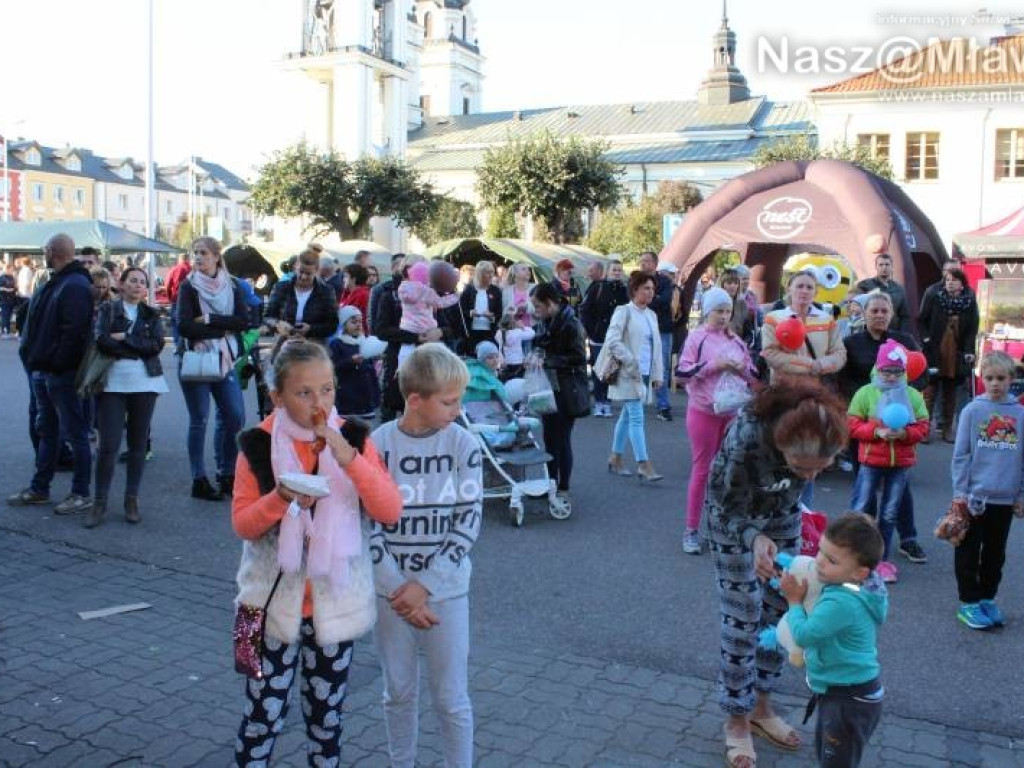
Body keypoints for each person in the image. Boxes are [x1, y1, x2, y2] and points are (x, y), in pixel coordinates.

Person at [232, 339, 402, 766]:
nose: (318, 402)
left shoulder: (354, 438)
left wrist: (349, 459)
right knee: (259, 717)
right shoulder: (256, 442)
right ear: (277, 397)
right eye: (303, 392)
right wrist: (279, 499)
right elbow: (244, 525)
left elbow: (390, 510)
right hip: (261, 607)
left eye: (326, 390)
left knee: (327, 722)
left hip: (336, 608)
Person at [704, 377, 848, 768]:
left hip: (781, 519)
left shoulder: (822, 435)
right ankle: (736, 718)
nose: (809, 477)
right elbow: (725, 503)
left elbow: (792, 496)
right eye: (800, 467)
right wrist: (753, 539)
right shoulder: (748, 435)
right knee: (743, 617)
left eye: (820, 469)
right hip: (732, 519)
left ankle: (761, 706)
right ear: (780, 445)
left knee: (784, 608)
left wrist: (778, 537)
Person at [370, 344, 481, 768]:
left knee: (451, 698)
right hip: (390, 595)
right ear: (415, 400)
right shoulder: (378, 444)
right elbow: (368, 523)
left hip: (446, 593)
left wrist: (425, 586)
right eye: (449, 401)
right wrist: (400, 589)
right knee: (397, 692)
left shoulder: (462, 444)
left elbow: (468, 520)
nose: (458, 408)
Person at [779, 513, 888, 768]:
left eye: (831, 560)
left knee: (835, 762)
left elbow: (804, 635)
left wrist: (794, 601)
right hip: (850, 692)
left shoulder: (841, 602)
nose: (818, 563)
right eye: (820, 551)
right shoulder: (862, 588)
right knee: (832, 756)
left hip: (847, 700)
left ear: (859, 572)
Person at [8, 234, 94, 515]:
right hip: (45, 370)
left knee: (75, 433)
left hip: (60, 373)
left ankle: (80, 493)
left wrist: (56, 363)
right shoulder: (58, 281)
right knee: (48, 430)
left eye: (45, 249)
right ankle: (39, 488)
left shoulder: (75, 284)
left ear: (51, 251)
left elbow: (75, 332)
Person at [839, 291, 928, 565]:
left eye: (883, 310)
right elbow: (841, 379)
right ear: (864, 313)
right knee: (864, 488)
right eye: (873, 310)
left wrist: (904, 401)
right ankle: (863, 544)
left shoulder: (905, 341)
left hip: (899, 425)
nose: (879, 315)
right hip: (866, 420)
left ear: (891, 313)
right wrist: (866, 401)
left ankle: (908, 538)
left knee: (899, 491)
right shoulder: (851, 342)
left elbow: (920, 373)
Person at [86, 267, 167, 528]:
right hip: (112, 383)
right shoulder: (109, 310)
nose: (137, 285)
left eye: (142, 282)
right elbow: (101, 340)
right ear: (120, 284)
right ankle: (99, 502)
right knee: (108, 445)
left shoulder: (151, 314)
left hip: (146, 383)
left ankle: (131, 499)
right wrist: (135, 346)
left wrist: (127, 339)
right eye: (132, 280)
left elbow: (156, 346)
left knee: (137, 445)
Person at [677, 287, 756, 554]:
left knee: (728, 473)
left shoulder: (736, 341)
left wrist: (741, 369)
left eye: (727, 312)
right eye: (718, 311)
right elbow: (681, 375)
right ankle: (691, 530)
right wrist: (715, 365)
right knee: (702, 471)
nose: (723, 317)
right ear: (707, 312)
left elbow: (753, 376)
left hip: (731, 413)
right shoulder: (696, 338)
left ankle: (719, 527)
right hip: (702, 412)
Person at [950, 351, 1024, 630]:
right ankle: (968, 602)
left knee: (996, 554)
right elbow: (960, 455)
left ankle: (987, 598)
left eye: (1001, 378)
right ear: (982, 379)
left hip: (1004, 499)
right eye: (990, 378)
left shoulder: (1019, 414)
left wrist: (1021, 495)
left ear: (1011, 379)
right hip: (974, 498)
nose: (995, 384)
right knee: (969, 551)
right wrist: (960, 493)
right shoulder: (973, 410)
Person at [847, 340, 929, 584]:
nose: (892, 376)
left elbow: (923, 427)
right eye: (886, 370)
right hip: (871, 460)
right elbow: (852, 424)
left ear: (904, 371)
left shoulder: (913, 395)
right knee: (861, 504)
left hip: (900, 464)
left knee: (890, 512)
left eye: (897, 371)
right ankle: (853, 549)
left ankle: (879, 559)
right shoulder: (865, 393)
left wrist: (905, 434)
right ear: (877, 368)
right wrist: (876, 432)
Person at [177, 237, 250, 501]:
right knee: (200, 420)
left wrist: (209, 320)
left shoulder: (232, 286)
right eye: (194, 252)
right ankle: (199, 479)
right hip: (197, 358)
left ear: (217, 257)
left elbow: (244, 321)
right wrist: (224, 327)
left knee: (234, 417)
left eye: (203, 253)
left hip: (225, 358)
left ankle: (226, 473)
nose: (198, 257)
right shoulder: (188, 286)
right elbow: (184, 326)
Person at [531, 281, 589, 511]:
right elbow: (538, 344)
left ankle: (563, 486)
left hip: (567, 388)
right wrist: (535, 355)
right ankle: (550, 482)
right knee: (548, 437)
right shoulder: (546, 321)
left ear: (550, 303)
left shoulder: (571, 323)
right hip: (548, 386)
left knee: (562, 439)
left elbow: (577, 358)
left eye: (538, 306)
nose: (535, 310)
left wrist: (546, 360)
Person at [604, 271, 665, 482]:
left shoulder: (651, 315)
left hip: (645, 372)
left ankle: (615, 456)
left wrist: (658, 374)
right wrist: (629, 360)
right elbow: (612, 340)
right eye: (646, 288)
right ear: (635, 290)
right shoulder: (623, 312)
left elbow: (656, 348)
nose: (651, 292)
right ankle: (643, 463)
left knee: (628, 416)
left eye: (652, 289)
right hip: (627, 371)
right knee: (636, 417)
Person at [918, 266, 979, 442]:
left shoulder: (969, 300)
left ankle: (946, 429)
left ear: (962, 284)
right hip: (935, 349)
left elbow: (972, 329)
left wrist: (969, 351)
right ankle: (924, 429)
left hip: (956, 351)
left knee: (950, 393)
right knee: (930, 391)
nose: (950, 283)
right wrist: (927, 340)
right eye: (947, 280)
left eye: (954, 280)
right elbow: (921, 319)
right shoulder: (934, 296)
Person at [580, 258, 628, 417]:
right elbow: (585, 310)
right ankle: (598, 403)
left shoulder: (624, 290)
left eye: (619, 270)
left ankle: (607, 403)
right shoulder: (598, 287)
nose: (617, 273)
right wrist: (590, 330)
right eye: (614, 270)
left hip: (616, 337)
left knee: (611, 371)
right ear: (607, 272)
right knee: (598, 369)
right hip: (598, 335)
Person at [263, 248, 339, 343]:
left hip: (314, 345)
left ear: (316, 271)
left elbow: (332, 325)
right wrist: (277, 324)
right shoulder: (281, 287)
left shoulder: (326, 291)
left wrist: (311, 329)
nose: (303, 277)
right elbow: (267, 317)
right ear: (295, 268)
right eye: (301, 272)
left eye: (308, 274)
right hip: (285, 342)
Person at [397, 261, 460, 367]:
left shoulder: (403, 288)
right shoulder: (426, 291)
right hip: (426, 328)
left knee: (406, 353)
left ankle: (402, 369)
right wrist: (456, 297)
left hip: (408, 328)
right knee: (436, 356)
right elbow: (440, 303)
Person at [638, 252, 676, 421]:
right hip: (641, 329)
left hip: (662, 329)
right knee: (641, 365)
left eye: (646, 261)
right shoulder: (635, 281)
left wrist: (648, 299)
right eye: (641, 261)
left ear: (654, 263)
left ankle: (663, 405)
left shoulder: (666, 281)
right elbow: (634, 299)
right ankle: (639, 400)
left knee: (663, 367)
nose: (642, 264)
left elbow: (665, 300)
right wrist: (654, 298)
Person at [330, 305, 381, 420]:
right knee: (346, 429)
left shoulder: (365, 342)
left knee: (365, 430)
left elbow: (371, 370)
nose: (358, 325)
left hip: (365, 396)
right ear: (344, 325)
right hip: (347, 396)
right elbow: (333, 367)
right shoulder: (337, 344)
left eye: (360, 321)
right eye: (353, 322)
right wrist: (351, 361)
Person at [856, 251, 910, 333]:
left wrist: (902, 335)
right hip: (871, 334)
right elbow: (856, 309)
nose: (884, 268)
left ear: (892, 267)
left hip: (893, 333)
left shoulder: (899, 289)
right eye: (881, 265)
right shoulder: (865, 285)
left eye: (887, 265)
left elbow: (904, 316)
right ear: (876, 267)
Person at [459, 260, 502, 349]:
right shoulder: (468, 290)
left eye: (492, 272)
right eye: (487, 272)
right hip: (471, 332)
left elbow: (499, 313)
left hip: (490, 332)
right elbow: (461, 310)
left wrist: (491, 317)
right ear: (480, 274)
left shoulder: (496, 291)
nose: (491, 275)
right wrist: (470, 313)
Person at [369, 254, 404, 334]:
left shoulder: (415, 289)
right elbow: (372, 318)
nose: (402, 268)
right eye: (399, 264)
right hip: (385, 338)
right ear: (392, 267)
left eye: (404, 265)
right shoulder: (379, 289)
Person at [495, 310, 535, 381]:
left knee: (504, 382)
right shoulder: (517, 333)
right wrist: (523, 327)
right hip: (517, 362)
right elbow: (532, 334)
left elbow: (497, 339)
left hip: (503, 363)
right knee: (518, 382)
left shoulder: (499, 333)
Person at [719, 268, 754, 345]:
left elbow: (748, 333)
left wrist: (744, 344)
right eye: (729, 283)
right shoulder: (715, 304)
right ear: (722, 285)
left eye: (735, 283)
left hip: (737, 348)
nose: (733, 286)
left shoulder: (742, 304)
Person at [165, 253, 192, 346]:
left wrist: (170, 298)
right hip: (191, 301)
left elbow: (167, 285)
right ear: (188, 259)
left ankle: (177, 345)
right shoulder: (193, 270)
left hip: (176, 299)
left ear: (179, 259)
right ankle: (187, 344)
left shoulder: (174, 269)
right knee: (189, 322)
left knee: (176, 322)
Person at [500, 262, 536, 328]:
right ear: (515, 274)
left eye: (528, 269)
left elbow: (541, 309)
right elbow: (504, 313)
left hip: (533, 330)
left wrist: (526, 307)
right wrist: (515, 311)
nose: (528, 271)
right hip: (513, 330)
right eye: (523, 269)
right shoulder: (507, 291)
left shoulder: (535, 288)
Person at [339, 263, 371, 332]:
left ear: (353, 279)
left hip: (356, 335)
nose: (343, 279)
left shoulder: (362, 295)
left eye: (346, 276)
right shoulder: (347, 293)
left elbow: (351, 316)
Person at [0, 262, 18, 338]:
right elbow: (0, 288)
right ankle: (4, 331)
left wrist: (15, 288)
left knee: (9, 315)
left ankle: (7, 330)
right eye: (11, 269)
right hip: (4, 299)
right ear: (6, 269)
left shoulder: (12, 277)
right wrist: (7, 289)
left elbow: (15, 287)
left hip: (11, 299)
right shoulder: (2, 277)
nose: (12, 270)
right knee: (5, 315)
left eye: (12, 269)